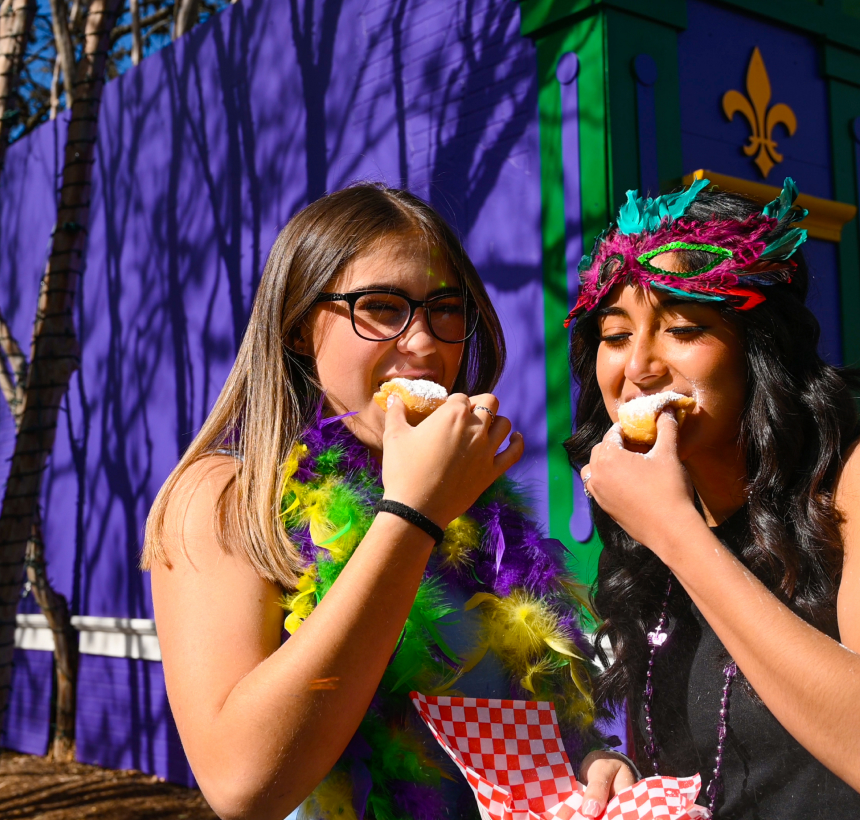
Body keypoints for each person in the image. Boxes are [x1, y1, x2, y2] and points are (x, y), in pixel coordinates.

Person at [142, 184, 609, 820]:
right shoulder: (225, 498)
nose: (423, 345)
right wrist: (411, 516)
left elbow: (532, 729)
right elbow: (242, 787)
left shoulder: (479, 515)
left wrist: (594, 762)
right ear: (301, 326)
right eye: (382, 307)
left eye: (446, 308)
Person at [564, 179, 860, 819]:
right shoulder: (648, 521)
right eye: (615, 336)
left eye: (685, 328)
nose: (638, 367)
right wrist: (622, 769)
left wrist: (676, 532)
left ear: (758, 348)